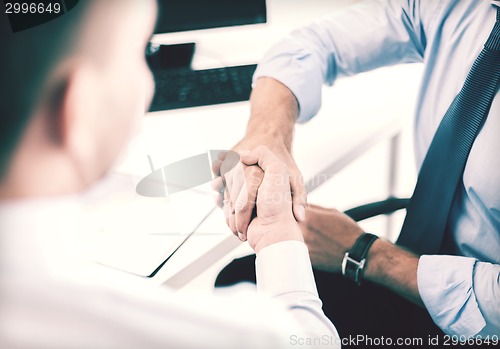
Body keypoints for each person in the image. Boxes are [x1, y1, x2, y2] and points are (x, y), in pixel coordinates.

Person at [0, 1, 340, 348]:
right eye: (139, 52)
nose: (148, 79)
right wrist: (276, 234)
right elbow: (310, 341)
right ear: (81, 110)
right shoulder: (223, 335)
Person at [215, 0, 500, 341]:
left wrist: (366, 253)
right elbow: (316, 43)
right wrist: (266, 134)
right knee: (241, 285)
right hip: (417, 265)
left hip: (480, 325)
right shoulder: (464, 6)